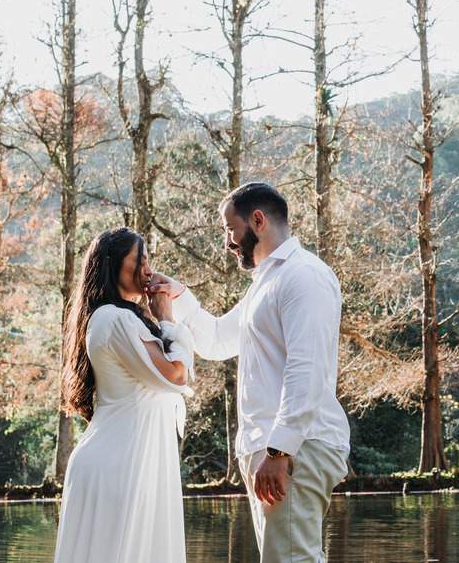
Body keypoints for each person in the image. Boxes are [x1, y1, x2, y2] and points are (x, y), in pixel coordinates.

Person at [150, 182, 350, 563]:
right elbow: (217, 341)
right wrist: (180, 297)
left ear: (257, 220)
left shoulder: (303, 275)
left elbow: (306, 369)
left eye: (231, 229)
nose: (228, 241)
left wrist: (278, 451)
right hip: (274, 450)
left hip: (294, 450)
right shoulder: (267, 283)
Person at [53, 227, 196, 563]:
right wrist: (167, 319)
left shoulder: (116, 319)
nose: (148, 270)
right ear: (112, 264)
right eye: (139, 260)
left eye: (149, 261)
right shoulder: (115, 319)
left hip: (130, 465)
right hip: (120, 468)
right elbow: (176, 375)